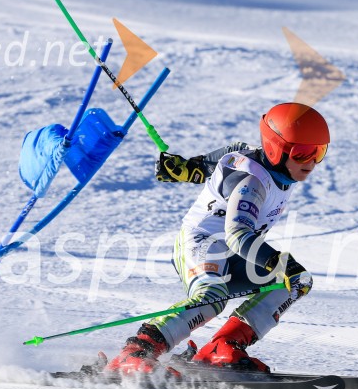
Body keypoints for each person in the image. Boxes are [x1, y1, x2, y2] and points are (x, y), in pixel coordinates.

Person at [105, 102, 330, 374]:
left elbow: (230, 154)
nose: (312, 162)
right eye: (302, 153)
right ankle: (138, 350)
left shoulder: (272, 168)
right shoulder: (252, 183)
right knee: (213, 297)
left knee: (295, 282)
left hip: (234, 255)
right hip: (201, 243)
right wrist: (279, 261)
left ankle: (222, 347)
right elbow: (238, 235)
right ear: (276, 149)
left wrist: (190, 168)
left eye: (319, 152)